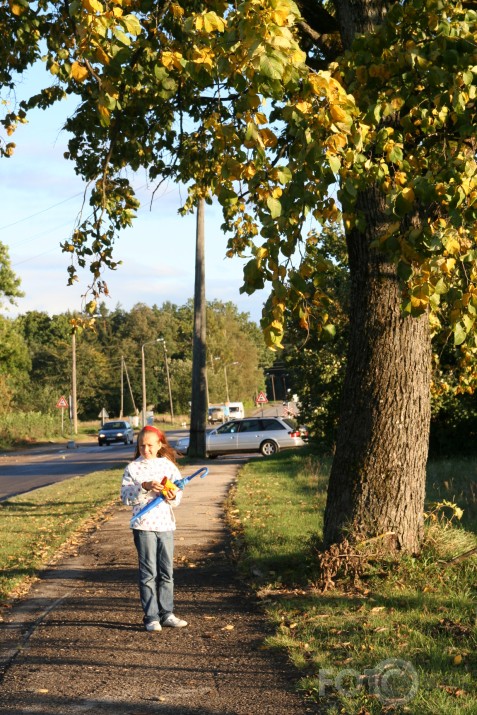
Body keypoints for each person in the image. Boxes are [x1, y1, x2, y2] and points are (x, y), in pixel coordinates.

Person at [120, 424, 188, 632]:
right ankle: (151, 617)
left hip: (165, 524)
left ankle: (167, 613)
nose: (146, 449)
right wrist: (144, 486)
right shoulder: (132, 468)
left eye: (150, 445)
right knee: (148, 572)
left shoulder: (168, 466)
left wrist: (172, 495)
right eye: (142, 446)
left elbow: (177, 495)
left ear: (159, 445)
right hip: (143, 526)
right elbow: (125, 497)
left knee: (167, 572)